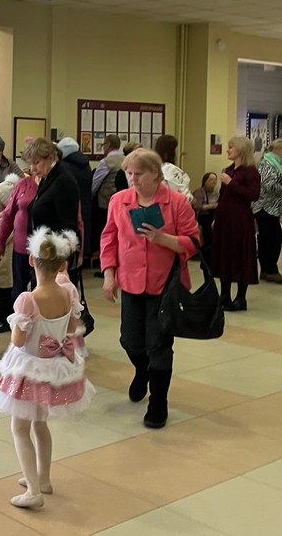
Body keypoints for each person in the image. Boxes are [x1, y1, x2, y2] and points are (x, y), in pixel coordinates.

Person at [0, 227, 94, 509]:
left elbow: (18, 340)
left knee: (19, 427)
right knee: (40, 424)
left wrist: (19, 325)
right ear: (62, 265)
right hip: (54, 367)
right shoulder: (68, 293)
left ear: (30, 260)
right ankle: (43, 479)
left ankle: (33, 491)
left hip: (30, 369)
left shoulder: (28, 299)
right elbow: (71, 329)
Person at [101, 149, 199, 429]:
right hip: (131, 281)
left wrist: (164, 239)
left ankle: (158, 402)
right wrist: (109, 274)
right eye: (129, 173)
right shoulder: (119, 200)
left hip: (165, 284)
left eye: (138, 173)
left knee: (159, 344)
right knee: (130, 340)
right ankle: (142, 370)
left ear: (155, 173)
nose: (132, 179)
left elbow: (194, 242)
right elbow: (109, 237)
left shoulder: (176, 202)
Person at [211, 137, 261, 311]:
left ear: (240, 150)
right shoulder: (228, 170)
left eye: (231, 147)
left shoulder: (251, 172)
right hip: (224, 218)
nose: (228, 150)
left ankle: (241, 297)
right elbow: (223, 196)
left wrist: (232, 184)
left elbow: (253, 195)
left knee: (240, 255)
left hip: (240, 219)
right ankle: (224, 294)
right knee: (224, 254)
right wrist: (216, 217)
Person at [252, 139, 282, 284]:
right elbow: (267, 185)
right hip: (266, 207)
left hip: (272, 208)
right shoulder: (268, 164)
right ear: (276, 150)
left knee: (268, 239)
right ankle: (269, 270)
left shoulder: (275, 164)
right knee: (272, 240)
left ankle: (268, 269)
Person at [0, 172, 37, 323]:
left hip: (44, 250)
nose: (34, 167)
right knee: (19, 288)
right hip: (21, 249)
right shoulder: (23, 184)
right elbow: (8, 215)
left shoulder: (57, 183)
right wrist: (0, 242)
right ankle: (18, 324)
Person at [90, 134, 126, 260]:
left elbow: (95, 183)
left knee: (106, 231)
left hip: (105, 203)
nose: (103, 148)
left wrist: (90, 197)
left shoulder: (105, 162)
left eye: (103, 145)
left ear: (108, 145)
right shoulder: (126, 159)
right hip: (123, 202)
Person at [154, 134, 193, 203]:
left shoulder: (155, 167)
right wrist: (191, 198)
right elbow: (182, 194)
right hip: (175, 205)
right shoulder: (170, 169)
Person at [191, 172, 220, 259]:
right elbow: (197, 206)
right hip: (201, 219)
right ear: (205, 181)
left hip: (213, 218)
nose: (214, 182)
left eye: (215, 180)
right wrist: (211, 206)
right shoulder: (199, 192)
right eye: (211, 180)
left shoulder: (216, 193)